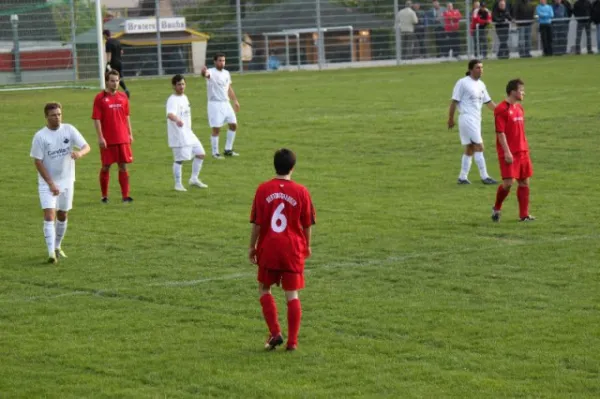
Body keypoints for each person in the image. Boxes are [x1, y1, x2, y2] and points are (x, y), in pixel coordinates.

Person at [249, 148, 316, 351]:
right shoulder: (301, 191)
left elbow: (257, 223)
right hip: (292, 249)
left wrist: (252, 246)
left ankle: (275, 332)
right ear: (293, 168)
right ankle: (293, 342)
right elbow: (307, 224)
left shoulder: (263, 189)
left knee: (264, 288)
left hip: (269, 247)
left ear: (274, 165)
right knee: (292, 294)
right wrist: (307, 245)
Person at [30, 103, 91, 264]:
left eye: (59, 114)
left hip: (67, 180)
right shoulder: (40, 136)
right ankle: (50, 252)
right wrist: (50, 183)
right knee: (50, 215)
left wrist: (80, 153)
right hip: (47, 183)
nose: (57, 117)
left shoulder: (69, 130)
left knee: (62, 214)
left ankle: (57, 246)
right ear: (46, 117)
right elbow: (38, 162)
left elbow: (86, 146)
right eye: (53, 115)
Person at [491, 79, 535, 222]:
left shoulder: (519, 109)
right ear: (513, 92)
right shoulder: (501, 109)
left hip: (523, 151)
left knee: (524, 182)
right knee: (508, 183)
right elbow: (500, 133)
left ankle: (524, 215)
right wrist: (507, 152)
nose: (524, 93)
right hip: (509, 152)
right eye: (521, 90)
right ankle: (497, 207)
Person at [448, 60, 497, 185]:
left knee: (469, 149)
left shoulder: (481, 85)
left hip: (476, 119)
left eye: (481, 67)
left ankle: (462, 177)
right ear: (470, 70)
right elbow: (454, 101)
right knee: (479, 147)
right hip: (467, 118)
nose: (480, 70)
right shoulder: (463, 82)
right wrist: (450, 118)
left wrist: (502, 112)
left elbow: (489, 103)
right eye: (477, 68)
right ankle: (485, 176)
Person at [92, 70, 134, 203]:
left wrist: (130, 134)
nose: (115, 83)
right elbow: (97, 119)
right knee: (106, 166)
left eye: (117, 81)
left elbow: (127, 116)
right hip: (108, 139)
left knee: (123, 166)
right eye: (112, 81)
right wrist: (100, 137)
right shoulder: (100, 98)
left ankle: (125, 196)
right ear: (106, 81)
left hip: (122, 138)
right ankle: (104, 196)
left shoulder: (123, 97)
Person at [166, 74, 208, 191]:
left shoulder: (185, 97)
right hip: (178, 135)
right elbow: (170, 114)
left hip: (188, 133)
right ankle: (178, 184)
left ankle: (194, 179)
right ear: (174, 86)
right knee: (179, 160)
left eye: (183, 84)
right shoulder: (172, 100)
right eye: (179, 84)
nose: (181, 86)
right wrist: (177, 119)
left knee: (201, 154)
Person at [200, 53, 241, 159]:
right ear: (215, 61)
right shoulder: (211, 72)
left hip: (226, 103)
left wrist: (235, 101)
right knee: (216, 129)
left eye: (223, 60)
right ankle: (215, 153)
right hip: (215, 104)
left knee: (233, 125)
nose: (222, 62)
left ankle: (228, 150)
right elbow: (205, 75)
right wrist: (203, 72)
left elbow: (229, 88)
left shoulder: (226, 73)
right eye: (220, 60)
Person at [103, 29, 130, 98]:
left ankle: (108, 93)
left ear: (105, 35)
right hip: (119, 62)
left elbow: (109, 54)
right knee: (118, 78)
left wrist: (108, 63)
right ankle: (126, 90)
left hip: (113, 63)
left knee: (106, 76)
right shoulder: (117, 41)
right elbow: (121, 52)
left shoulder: (108, 42)